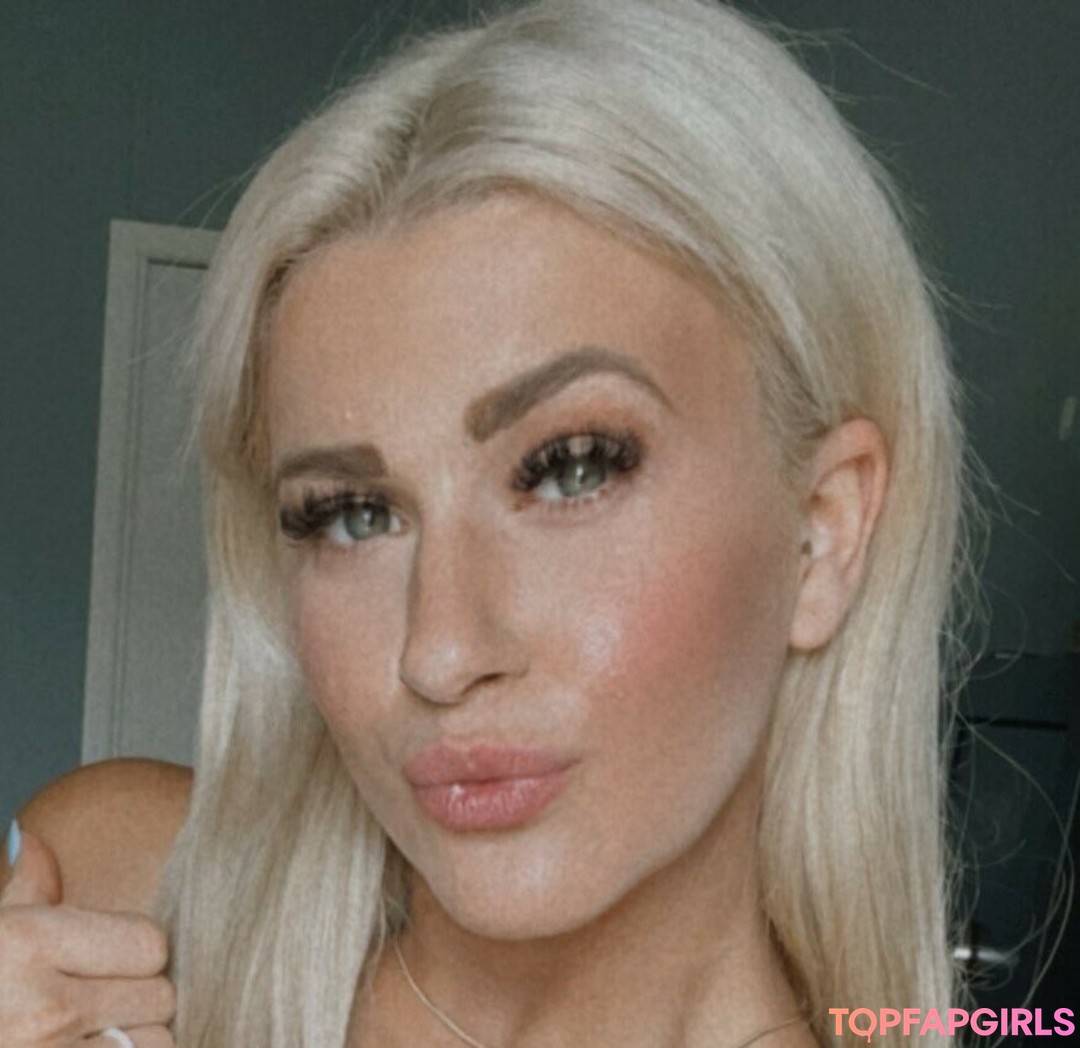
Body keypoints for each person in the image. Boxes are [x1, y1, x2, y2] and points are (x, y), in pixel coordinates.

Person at [0, 0, 976, 1044]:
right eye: (351, 515)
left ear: (823, 532)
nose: (441, 652)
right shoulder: (116, 912)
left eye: (570, 470)